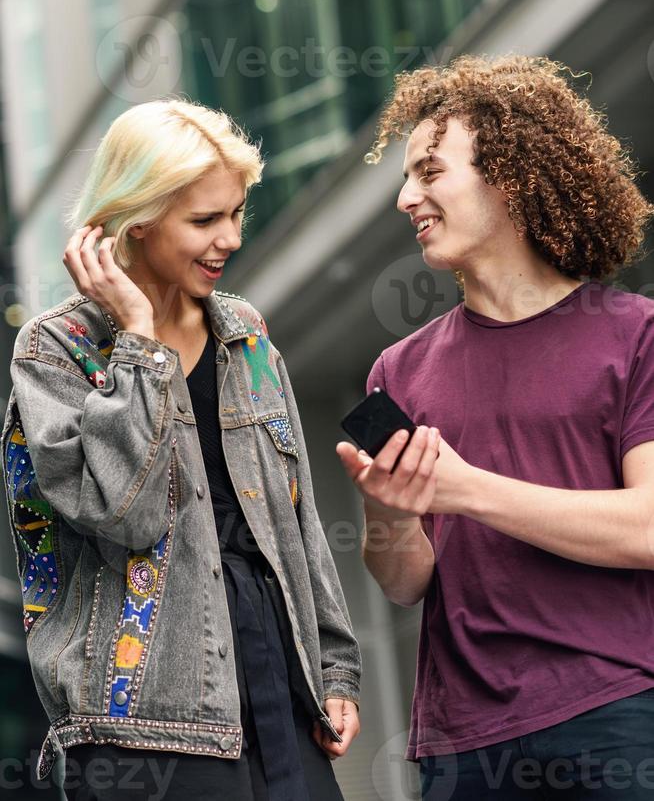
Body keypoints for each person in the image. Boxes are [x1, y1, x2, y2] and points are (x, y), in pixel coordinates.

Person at [1, 99, 360, 800]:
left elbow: (297, 521)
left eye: (235, 213)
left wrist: (336, 672)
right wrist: (138, 341)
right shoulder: (54, 350)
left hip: (279, 685)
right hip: (145, 721)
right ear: (135, 220)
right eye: (204, 220)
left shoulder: (245, 335)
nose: (229, 238)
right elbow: (122, 514)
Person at [336, 54, 654, 800]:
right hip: (463, 744)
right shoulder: (398, 371)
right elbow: (406, 581)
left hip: (617, 714)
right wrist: (388, 511)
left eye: (430, 171)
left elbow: (647, 528)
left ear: (508, 174)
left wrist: (466, 489)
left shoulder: (636, 336)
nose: (406, 198)